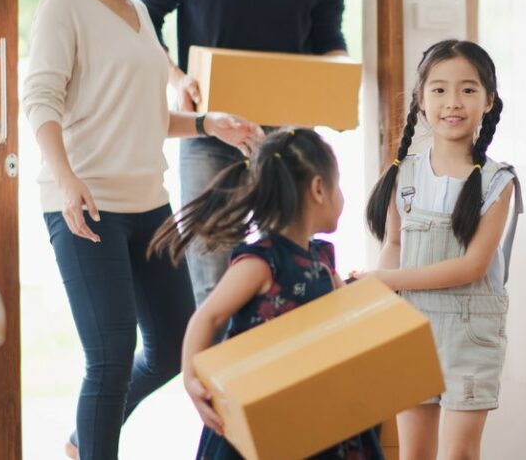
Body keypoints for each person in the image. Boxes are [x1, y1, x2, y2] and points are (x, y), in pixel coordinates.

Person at [21, 0, 264, 457]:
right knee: (109, 357)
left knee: (175, 344)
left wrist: (204, 123)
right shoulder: (65, 2)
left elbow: (145, 114)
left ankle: (80, 441)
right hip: (87, 203)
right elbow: (40, 99)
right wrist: (66, 179)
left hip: (149, 202)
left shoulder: (139, 13)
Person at [151, 128, 382, 459]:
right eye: (338, 185)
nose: (342, 196)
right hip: (260, 413)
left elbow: (346, 319)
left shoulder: (322, 261)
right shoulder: (261, 263)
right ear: (319, 188)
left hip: (311, 409)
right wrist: (191, 378)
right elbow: (208, 315)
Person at [137, 0, 349, 308]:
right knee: (212, 278)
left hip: (288, 139)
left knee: (291, 274)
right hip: (212, 132)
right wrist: (177, 78)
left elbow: (328, 35)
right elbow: (145, 14)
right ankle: (213, 363)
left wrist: (337, 91)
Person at [359, 39, 521, 460]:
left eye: (468, 90)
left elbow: (471, 266)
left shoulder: (498, 183)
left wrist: (387, 280)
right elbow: (394, 244)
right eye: (439, 89)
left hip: (471, 334)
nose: (453, 102)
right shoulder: (403, 173)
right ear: (420, 99)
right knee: (413, 455)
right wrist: (381, 298)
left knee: (460, 455)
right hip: (411, 328)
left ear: (489, 101)